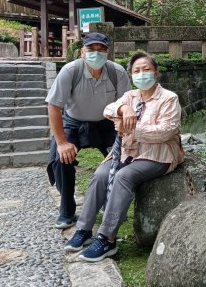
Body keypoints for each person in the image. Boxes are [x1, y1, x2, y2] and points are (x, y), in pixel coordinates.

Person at [65, 51, 185, 262]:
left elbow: (166, 131)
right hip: (128, 152)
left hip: (158, 155)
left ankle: (107, 238)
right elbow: (108, 109)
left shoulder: (169, 98)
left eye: (146, 69)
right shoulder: (131, 96)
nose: (142, 74)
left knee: (123, 177)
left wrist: (132, 129)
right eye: (136, 71)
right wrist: (123, 108)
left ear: (156, 72)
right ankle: (84, 230)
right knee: (101, 174)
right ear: (131, 75)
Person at [46, 32, 131, 229]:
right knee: (60, 160)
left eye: (100, 50)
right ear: (82, 52)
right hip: (74, 122)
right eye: (91, 50)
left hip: (107, 123)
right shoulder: (70, 71)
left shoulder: (117, 73)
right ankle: (66, 210)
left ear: (107, 52)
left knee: (125, 158)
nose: (96, 54)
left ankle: (111, 203)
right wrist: (61, 143)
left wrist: (123, 139)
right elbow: (54, 106)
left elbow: (126, 105)